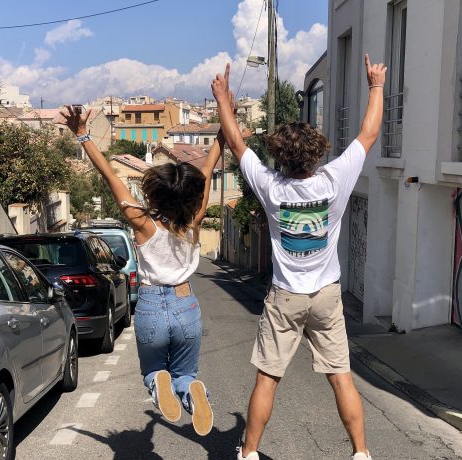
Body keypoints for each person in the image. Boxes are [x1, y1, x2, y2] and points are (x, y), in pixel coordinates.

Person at [211, 54, 386, 460]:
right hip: (326, 295)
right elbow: (369, 133)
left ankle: (249, 453)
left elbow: (236, 143)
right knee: (341, 378)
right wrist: (375, 86)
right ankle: (361, 454)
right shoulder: (335, 179)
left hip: (285, 296)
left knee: (267, 378)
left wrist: (222, 99)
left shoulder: (271, 188)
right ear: (317, 152)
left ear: (280, 155)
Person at [60, 81, 234, 435]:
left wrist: (82, 135)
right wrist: (224, 117)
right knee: (186, 373)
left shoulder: (142, 224)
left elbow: (110, 175)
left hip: (153, 305)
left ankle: (158, 384)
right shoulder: (194, 220)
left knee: (154, 371)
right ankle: (191, 390)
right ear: (191, 195)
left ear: (156, 191)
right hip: (186, 305)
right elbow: (208, 168)